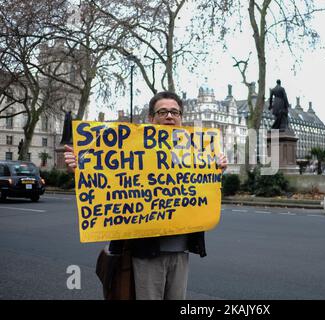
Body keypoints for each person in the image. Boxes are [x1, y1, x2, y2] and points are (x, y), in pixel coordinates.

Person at [64, 91, 228, 300]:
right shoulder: (131, 148)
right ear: (151, 118)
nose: (170, 116)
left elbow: (202, 193)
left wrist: (215, 171)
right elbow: (107, 182)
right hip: (146, 252)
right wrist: (80, 169)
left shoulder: (197, 151)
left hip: (181, 251)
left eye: (175, 112)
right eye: (163, 112)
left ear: (181, 118)